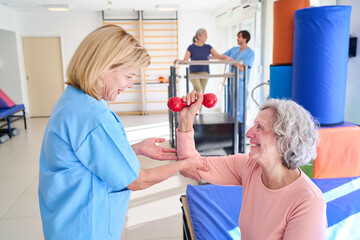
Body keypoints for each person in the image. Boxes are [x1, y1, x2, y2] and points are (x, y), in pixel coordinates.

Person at [38, 25, 207, 240]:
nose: (130, 84)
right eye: (128, 76)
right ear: (103, 67)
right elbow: (138, 180)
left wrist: (135, 149)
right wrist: (184, 164)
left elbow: (86, 154)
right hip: (86, 229)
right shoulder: (93, 117)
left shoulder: (73, 101)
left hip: (66, 223)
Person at [176, 91, 327, 239]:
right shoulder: (248, 166)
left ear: (286, 142)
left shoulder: (309, 202)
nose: (248, 133)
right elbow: (190, 166)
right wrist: (186, 119)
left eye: (260, 127)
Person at [176, 28, 225, 95]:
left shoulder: (208, 47)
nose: (206, 37)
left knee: (201, 93)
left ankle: (199, 105)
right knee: (198, 90)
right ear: (199, 36)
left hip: (204, 72)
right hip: (193, 73)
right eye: (205, 35)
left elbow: (218, 56)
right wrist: (179, 61)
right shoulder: (191, 47)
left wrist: (228, 58)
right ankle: (197, 105)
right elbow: (185, 61)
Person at [222, 30, 255, 122]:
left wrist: (232, 60)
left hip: (241, 83)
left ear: (245, 39)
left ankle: (240, 129)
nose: (237, 39)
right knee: (230, 107)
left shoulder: (250, 53)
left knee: (239, 108)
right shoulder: (234, 50)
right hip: (231, 82)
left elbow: (243, 69)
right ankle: (230, 127)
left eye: (239, 37)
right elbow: (221, 56)